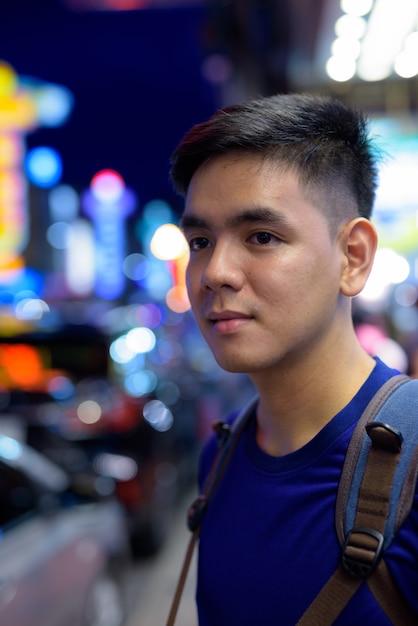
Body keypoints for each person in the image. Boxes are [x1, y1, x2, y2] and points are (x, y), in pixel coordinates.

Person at [169, 93, 418, 625]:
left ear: (353, 258)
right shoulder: (221, 455)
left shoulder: (414, 459)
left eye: (262, 236)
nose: (215, 271)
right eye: (200, 240)